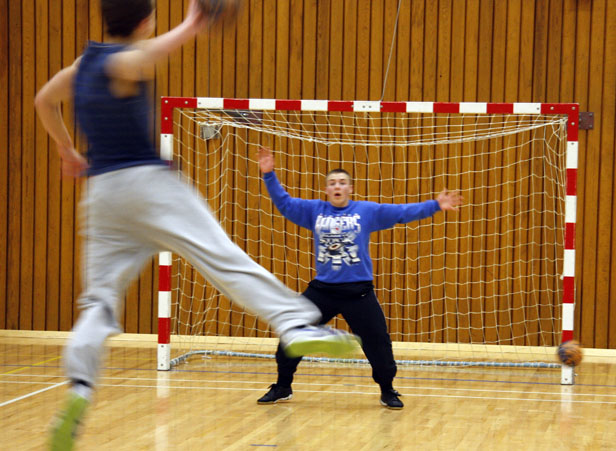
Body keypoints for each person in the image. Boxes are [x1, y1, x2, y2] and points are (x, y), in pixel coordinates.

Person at [34, 1, 359, 449]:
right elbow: (144, 57)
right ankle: (296, 325)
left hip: (102, 196)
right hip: (148, 185)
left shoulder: (80, 66)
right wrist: (192, 22)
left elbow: (43, 101)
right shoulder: (125, 60)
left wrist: (67, 152)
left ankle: (78, 389)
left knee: (98, 302)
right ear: (146, 21)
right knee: (222, 256)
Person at [255, 147, 463, 410]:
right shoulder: (314, 211)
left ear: (350, 188)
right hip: (323, 292)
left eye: (342, 182)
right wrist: (269, 174)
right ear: (327, 190)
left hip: (359, 293)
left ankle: (387, 390)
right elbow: (284, 203)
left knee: (378, 343)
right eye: (332, 183)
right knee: (292, 332)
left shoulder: (367, 211)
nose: (337, 186)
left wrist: (435, 205)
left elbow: (401, 212)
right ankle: (283, 386)